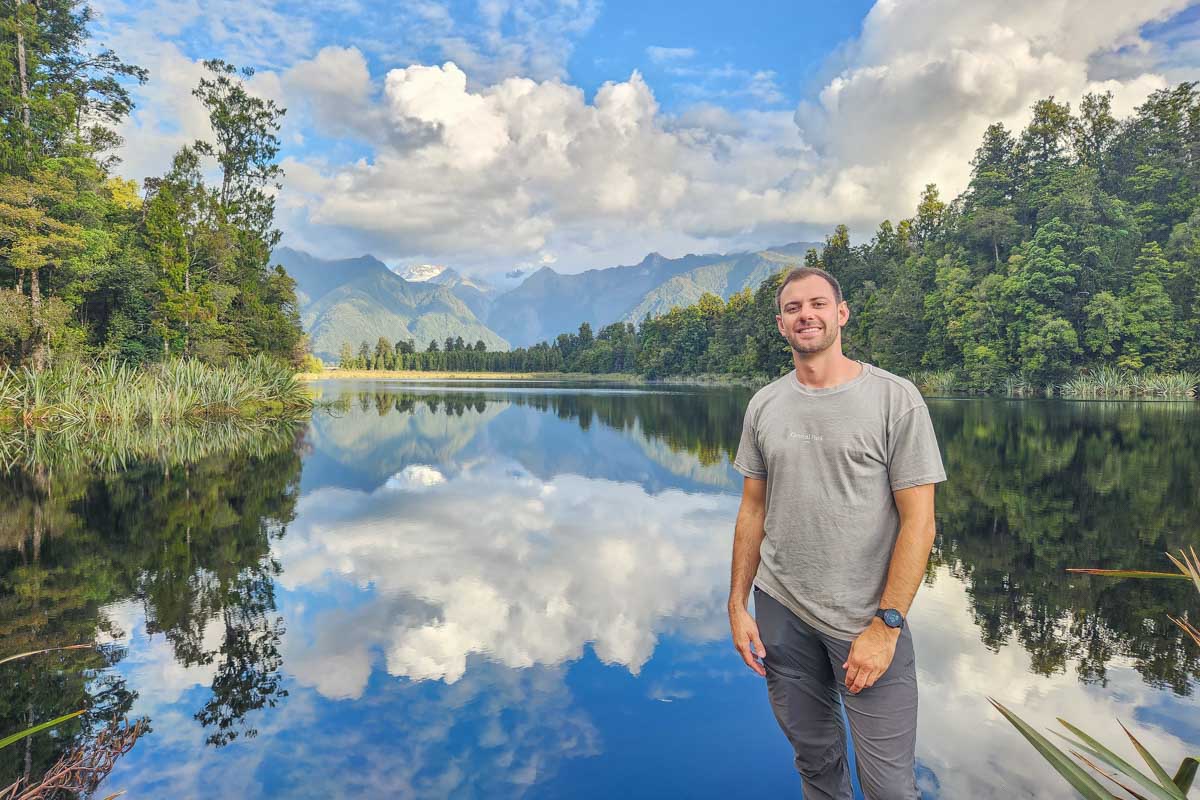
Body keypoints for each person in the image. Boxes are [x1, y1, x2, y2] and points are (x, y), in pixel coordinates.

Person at [728, 266, 946, 799]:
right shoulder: (765, 405)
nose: (806, 315)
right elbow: (752, 510)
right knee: (816, 763)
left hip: (866, 621)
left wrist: (887, 626)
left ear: (841, 314)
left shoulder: (895, 399)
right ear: (781, 324)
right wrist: (737, 604)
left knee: (889, 786)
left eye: (818, 304)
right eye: (793, 308)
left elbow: (920, 522)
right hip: (782, 611)